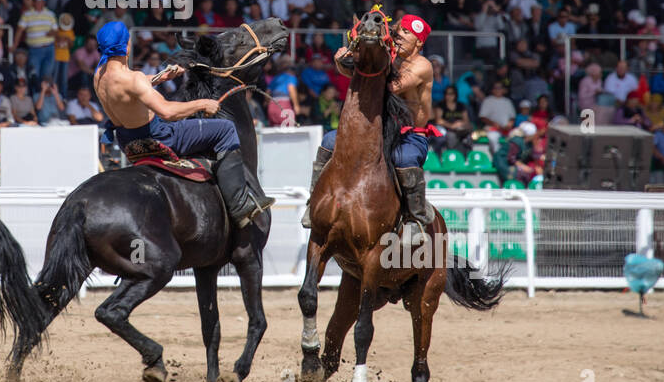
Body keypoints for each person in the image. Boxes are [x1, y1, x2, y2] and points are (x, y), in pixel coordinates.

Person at [92, 20, 270, 228]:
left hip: (128, 142)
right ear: (127, 45)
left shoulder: (99, 75)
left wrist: (160, 77)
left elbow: (130, 88)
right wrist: (202, 103)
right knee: (226, 129)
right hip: (160, 136)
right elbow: (167, 112)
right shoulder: (134, 79)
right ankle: (239, 204)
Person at [309, 13, 437, 245]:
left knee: (403, 157)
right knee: (329, 141)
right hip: (383, 130)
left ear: (419, 42)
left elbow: (389, 86)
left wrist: (350, 66)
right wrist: (343, 61)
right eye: (398, 31)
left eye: (407, 33)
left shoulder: (422, 66)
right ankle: (313, 202)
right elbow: (366, 79)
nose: (399, 35)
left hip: (410, 136)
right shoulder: (390, 58)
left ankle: (415, 219)